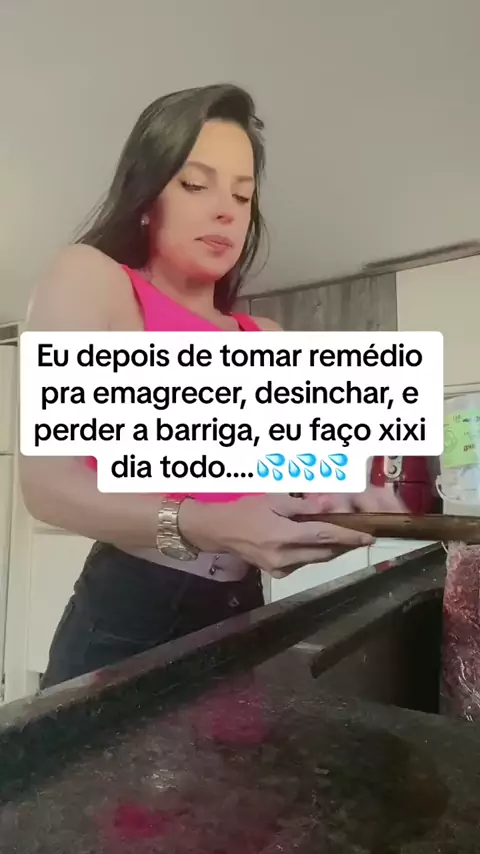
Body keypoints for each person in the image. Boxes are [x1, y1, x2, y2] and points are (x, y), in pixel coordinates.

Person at [20, 83, 403, 689]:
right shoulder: (93, 278)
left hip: (243, 611)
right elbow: (48, 488)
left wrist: (356, 499)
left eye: (242, 195)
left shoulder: (266, 335)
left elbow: (298, 481)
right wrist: (204, 524)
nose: (227, 210)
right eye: (196, 185)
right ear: (146, 199)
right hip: (134, 612)